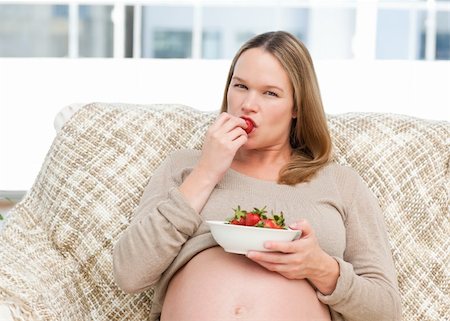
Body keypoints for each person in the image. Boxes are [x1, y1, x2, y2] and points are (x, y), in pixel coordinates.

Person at [113, 31, 401, 321]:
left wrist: (321, 268)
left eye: (270, 93)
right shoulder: (183, 167)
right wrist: (207, 172)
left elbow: (386, 311)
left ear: (297, 107)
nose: (248, 104)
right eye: (240, 86)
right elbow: (130, 273)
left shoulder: (341, 183)